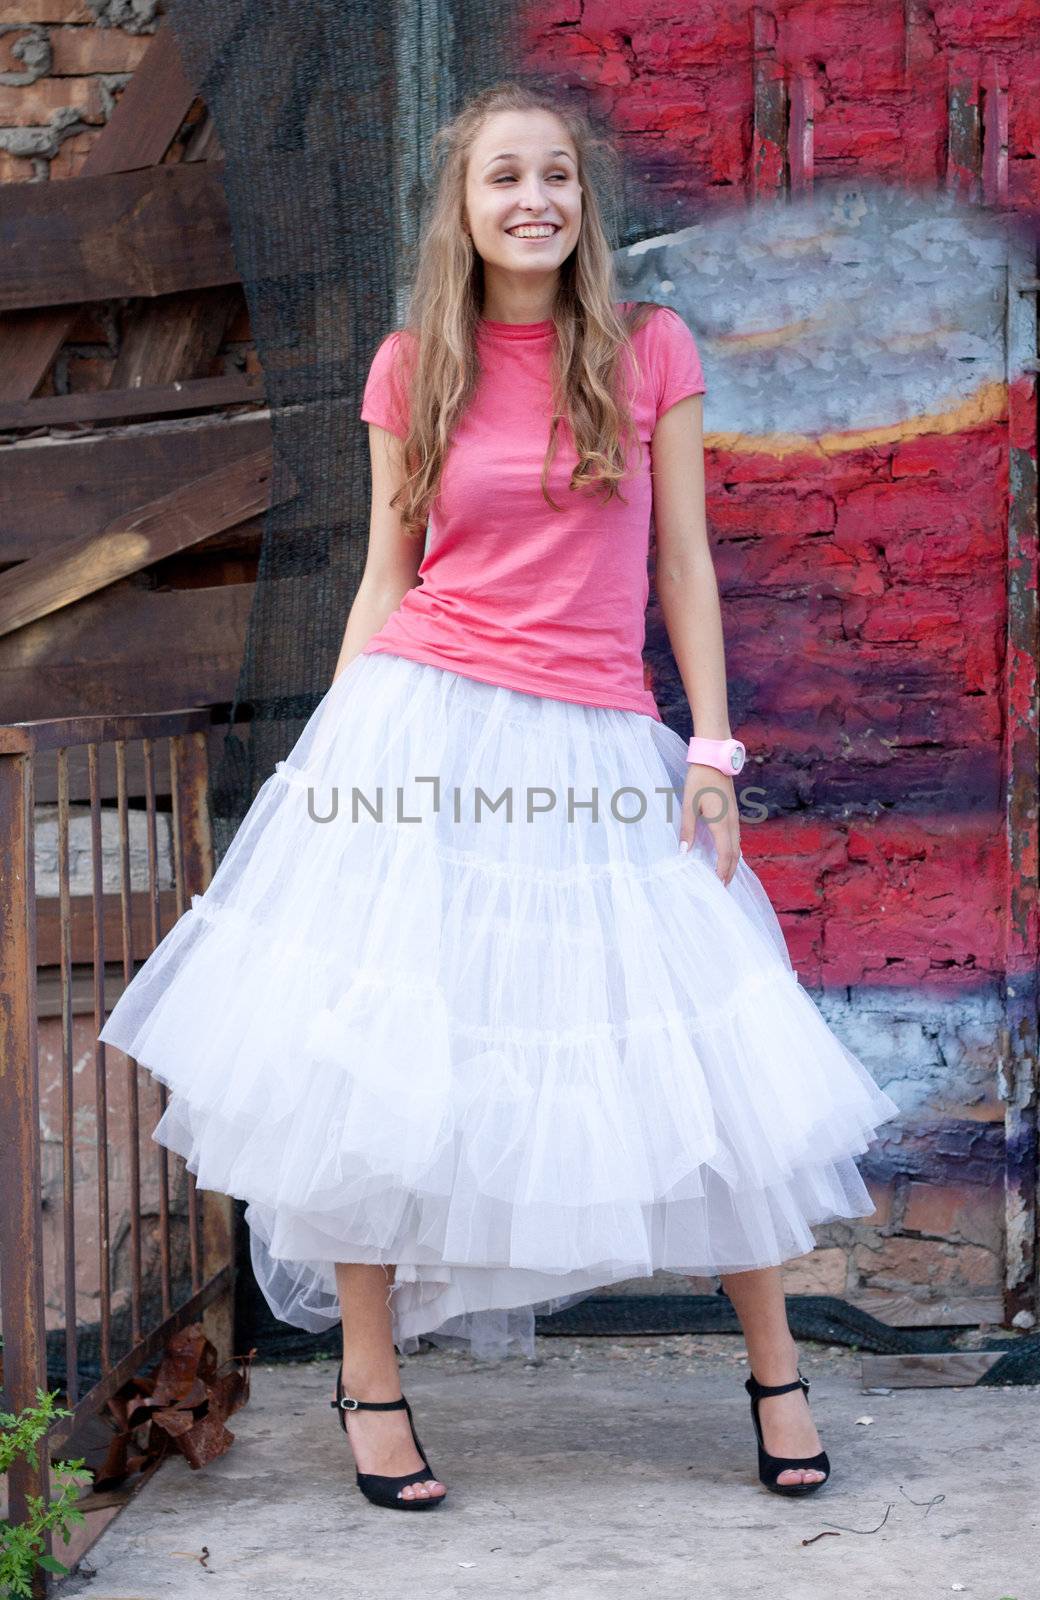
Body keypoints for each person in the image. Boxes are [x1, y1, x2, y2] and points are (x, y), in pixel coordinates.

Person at [99, 80, 900, 1510]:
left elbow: (684, 569)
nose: (533, 198)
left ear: (582, 205)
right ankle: (371, 1374)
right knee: (380, 1055)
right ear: (462, 211)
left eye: (557, 178)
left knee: (702, 1050)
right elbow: (388, 577)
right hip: (424, 725)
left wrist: (712, 754)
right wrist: (333, 758)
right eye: (502, 179)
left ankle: (776, 1368)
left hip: (599, 741)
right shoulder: (416, 366)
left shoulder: (650, 349)